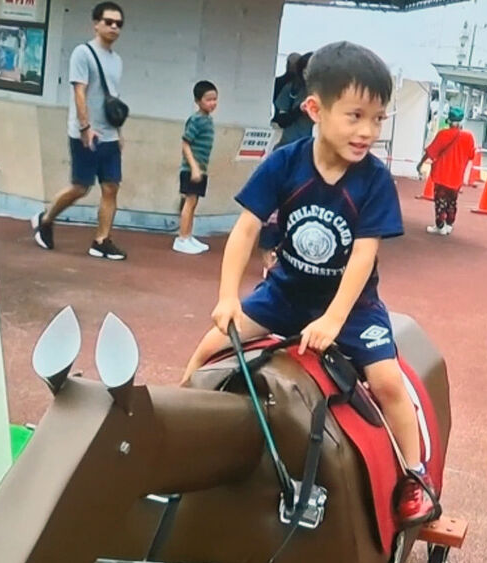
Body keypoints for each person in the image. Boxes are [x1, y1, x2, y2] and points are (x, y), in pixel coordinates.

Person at [180, 40, 438, 526]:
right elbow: (246, 229)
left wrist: (334, 319)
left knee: (386, 380)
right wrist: (227, 298)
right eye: (355, 115)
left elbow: (364, 255)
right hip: (285, 293)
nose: (367, 131)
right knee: (209, 348)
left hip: (352, 307)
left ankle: (414, 476)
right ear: (315, 109)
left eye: (378, 119)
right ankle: (175, 426)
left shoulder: (374, 181)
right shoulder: (285, 163)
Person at [32, 1, 127, 261]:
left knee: (111, 187)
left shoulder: (116, 60)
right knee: (80, 187)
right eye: (109, 22)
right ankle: (46, 219)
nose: (114, 27)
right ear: (96, 23)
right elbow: (79, 92)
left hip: (109, 135)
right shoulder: (82, 53)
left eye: (119, 24)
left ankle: (101, 240)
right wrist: (85, 128)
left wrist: (119, 134)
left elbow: (113, 98)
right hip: (86, 134)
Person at [173, 80, 218, 255]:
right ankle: (182, 238)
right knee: (189, 202)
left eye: (215, 99)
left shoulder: (207, 120)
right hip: (191, 169)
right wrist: (194, 167)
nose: (213, 103)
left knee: (194, 203)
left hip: (201, 169)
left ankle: (188, 235)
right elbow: (185, 144)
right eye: (208, 99)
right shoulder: (196, 120)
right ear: (198, 101)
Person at [416, 106, 476, 236]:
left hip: (442, 174)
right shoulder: (469, 137)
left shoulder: (443, 134)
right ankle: (449, 223)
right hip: (457, 176)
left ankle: (440, 225)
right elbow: (471, 155)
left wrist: (420, 164)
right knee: (452, 201)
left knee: (440, 201)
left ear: (449, 120)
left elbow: (431, 152)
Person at [272, 50, 313, 149]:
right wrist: (299, 110)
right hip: (289, 144)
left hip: (315, 148)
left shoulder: (328, 93)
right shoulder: (292, 88)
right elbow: (281, 120)